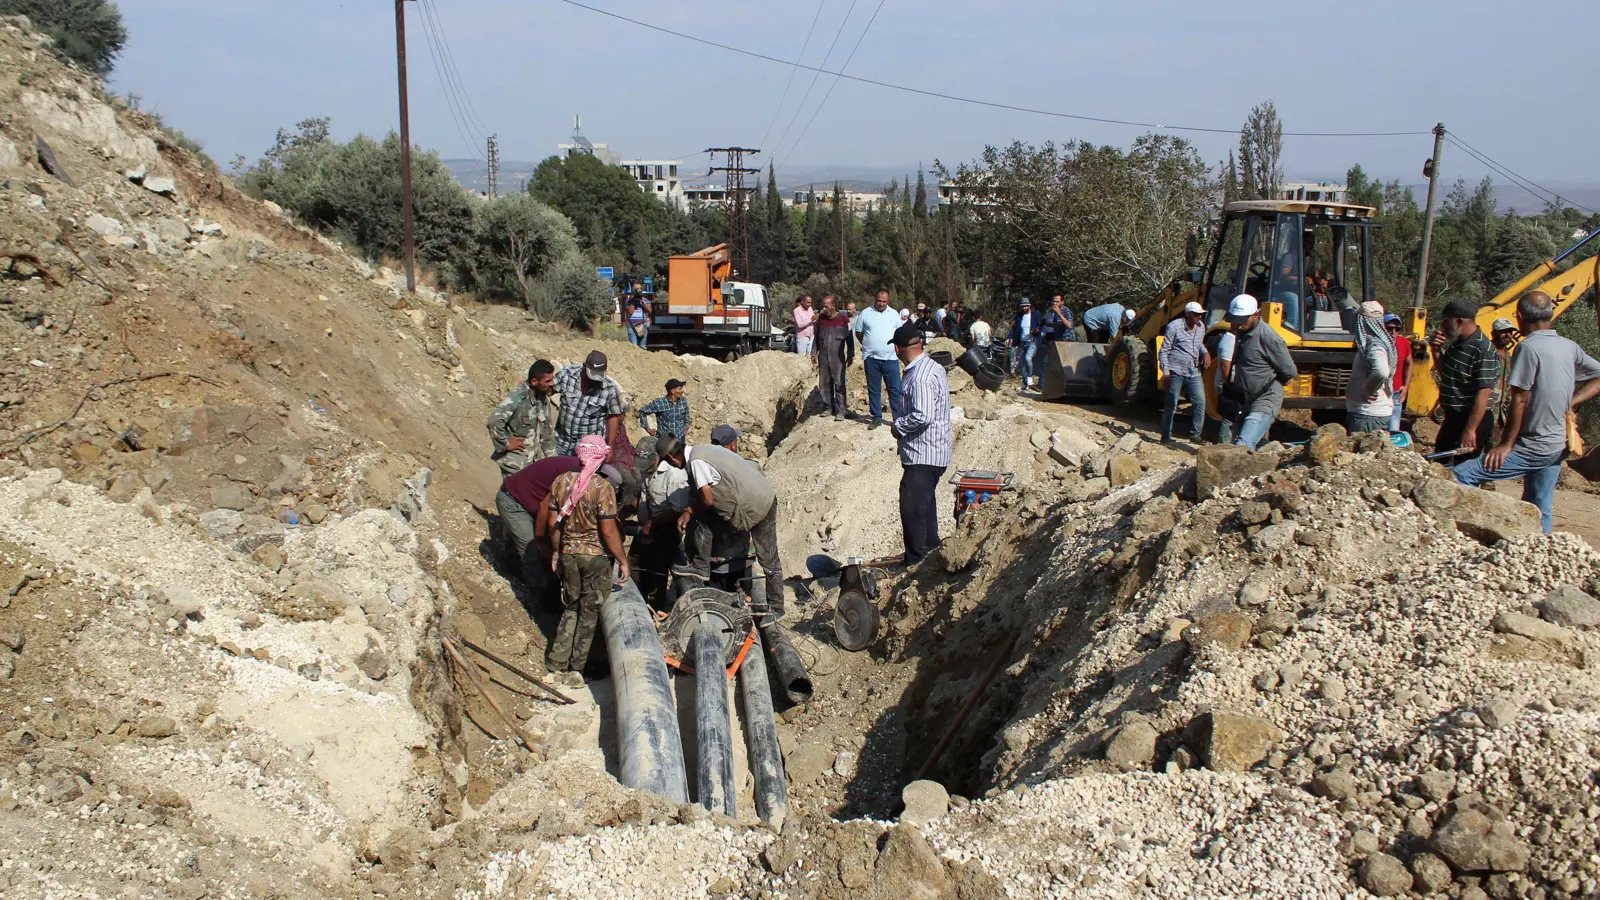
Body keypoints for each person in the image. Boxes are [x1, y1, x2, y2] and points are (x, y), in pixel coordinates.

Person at [1453, 291, 1600, 533]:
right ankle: (1540, 553)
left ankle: (1463, 534)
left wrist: (1505, 444)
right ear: (1550, 314)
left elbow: (1519, 400)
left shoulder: (1528, 348)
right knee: (1540, 505)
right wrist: (1572, 402)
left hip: (1535, 446)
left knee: (1460, 475)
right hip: (1558, 445)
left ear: (1520, 317)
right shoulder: (1569, 346)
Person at [659, 434, 786, 624]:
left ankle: (776, 608)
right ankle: (702, 566)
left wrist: (688, 511)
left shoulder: (696, 462)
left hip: (756, 506)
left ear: (670, 458)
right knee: (770, 559)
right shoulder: (703, 449)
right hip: (763, 495)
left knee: (768, 558)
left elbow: (708, 500)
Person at [539, 436, 628, 673]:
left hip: (569, 553)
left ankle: (557, 661)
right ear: (598, 459)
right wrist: (622, 559)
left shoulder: (560, 482)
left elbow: (552, 525)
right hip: (595, 557)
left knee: (570, 607)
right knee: (589, 613)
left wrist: (557, 552)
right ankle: (578, 668)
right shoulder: (602, 487)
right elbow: (608, 531)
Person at [890, 325, 952, 564]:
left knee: (913, 511)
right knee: (925, 506)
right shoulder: (933, 367)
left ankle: (915, 563)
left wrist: (898, 427)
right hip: (935, 452)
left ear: (898, 348)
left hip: (923, 454)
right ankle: (929, 555)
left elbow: (923, 415)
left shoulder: (919, 377)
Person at [496, 453, 582, 598]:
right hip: (514, 502)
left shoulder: (581, 469)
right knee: (532, 552)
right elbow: (545, 508)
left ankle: (524, 570)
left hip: (529, 502)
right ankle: (539, 602)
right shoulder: (573, 475)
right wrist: (541, 541)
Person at [1221, 294, 1296, 450]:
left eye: (1243, 320)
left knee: (1243, 444)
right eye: (1235, 319)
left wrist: (1266, 383)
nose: (1238, 324)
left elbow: (1289, 372)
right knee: (1235, 445)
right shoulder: (1240, 332)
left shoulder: (1268, 338)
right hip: (1243, 398)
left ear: (1257, 315)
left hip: (1265, 397)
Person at [1429, 299, 1500, 460]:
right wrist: (1436, 351)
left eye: (1446, 321)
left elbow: (1483, 393)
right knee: (1441, 463)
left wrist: (1470, 430)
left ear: (1459, 321)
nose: (1442, 327)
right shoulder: (1458, 345)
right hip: (1454, 418)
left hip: (1472, 420)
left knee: (1461, 470)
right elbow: (1447, 375)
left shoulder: (1483, 349)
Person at [634, 447, 691, 610]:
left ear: (657, 458)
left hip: (667, 530)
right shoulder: (647, 471)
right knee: (645, 571)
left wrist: (652, 523)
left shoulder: (673, 475)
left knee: (664, 571)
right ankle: (647, 605)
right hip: (648, 529)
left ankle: (664, 608)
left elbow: (677, 510)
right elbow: (643, 498)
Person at [487, 360, 559, 475]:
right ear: (534, 381)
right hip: (516, 465)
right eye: (548, 381)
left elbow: (547, 435)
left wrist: (554, 462)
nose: (551, 383)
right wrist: (506, 443)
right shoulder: (517, 397)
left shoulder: (543, 399)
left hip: (534, 463)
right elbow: (494, 421)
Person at [554, 351, 624, 457]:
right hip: (561, 442)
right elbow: (548, 388)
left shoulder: (610, 389)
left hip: (588, 449)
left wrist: (610, 448)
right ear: (584, 366)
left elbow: (613, 418)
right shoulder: (567, 375)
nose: (594, 380)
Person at [1159, 301, 1209, 443]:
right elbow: (1164, 350)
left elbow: (1199, 345)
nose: (1199, 317)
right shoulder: (1174, 327)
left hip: (1193, 371)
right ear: (1187, 314)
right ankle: (1166, 435)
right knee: (1171, 404)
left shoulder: (1201, 328)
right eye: (1196, 314)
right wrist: (1166, 372)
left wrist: (1205, 353)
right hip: (1176, 370)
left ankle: (1195, 434)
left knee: (1200, 402)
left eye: (1201, 314)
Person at [854, 290, 903, 429]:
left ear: (888, 301)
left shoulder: (894, 314)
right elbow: (859, 333)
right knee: (874, 389)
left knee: (895, 389)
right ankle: (876, 417)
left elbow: (899, 333)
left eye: (884, 301)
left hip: (891, 358)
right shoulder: (865, 313)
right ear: (875, 299)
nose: (881, 303)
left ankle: (897, 418)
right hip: (871, 358)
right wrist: (869, 345)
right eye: (879, 301)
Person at [1346, 301, 1396, 434]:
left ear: (1361, 321)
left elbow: (1381, 371)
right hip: (1368, 413)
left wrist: (1368, 389)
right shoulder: (1380, 342)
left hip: (1367, 415)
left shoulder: (1374, 345)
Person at [815, 294, 853, 420]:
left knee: (839, 383)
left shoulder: (843, 319)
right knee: (824, 383)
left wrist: (851, 353)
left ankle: (841, 410)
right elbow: (816, 339)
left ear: (833, 305)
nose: (823, 309)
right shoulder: (821, 320)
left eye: (826, 306)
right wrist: (813, 353)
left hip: (838, 358)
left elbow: (850, 338)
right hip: (824, 358)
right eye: (822, 306)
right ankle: (828, 408)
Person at [1386, 314, 1414, 433]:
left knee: (1393, 429)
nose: (1393, 332)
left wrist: (1406, 386)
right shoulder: (1376, 345)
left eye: (1397, 329)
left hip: (1396, 392)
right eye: (1390, 328)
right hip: (1380, 393)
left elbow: (1409, 363)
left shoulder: (1404, 343)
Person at [1008, 299, 1039, 390]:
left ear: (1030, 305)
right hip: (1022, 342)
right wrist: (1009, 337)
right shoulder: (1020, 316)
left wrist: (1037, 331)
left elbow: (1040, 325)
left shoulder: (1035, 314)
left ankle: (1029, 377)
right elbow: (1014, 328)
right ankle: (1025, 383)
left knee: (1028, 358)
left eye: (1026, 306)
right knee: (1021, 364)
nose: (1024, 308)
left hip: (1032, 341)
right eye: (1023, 306)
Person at [624, 283, 651, 348]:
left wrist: (643, 302)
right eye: (636, 289)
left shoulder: (646, 300)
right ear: (633, 290)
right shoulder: (628, 300)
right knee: (634, 346)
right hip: (632, 326)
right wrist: (633, 301)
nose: (638, 291)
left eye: (640, 289)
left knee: (642, 346)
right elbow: (630, 312)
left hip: (642, 325)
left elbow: (649, 311)